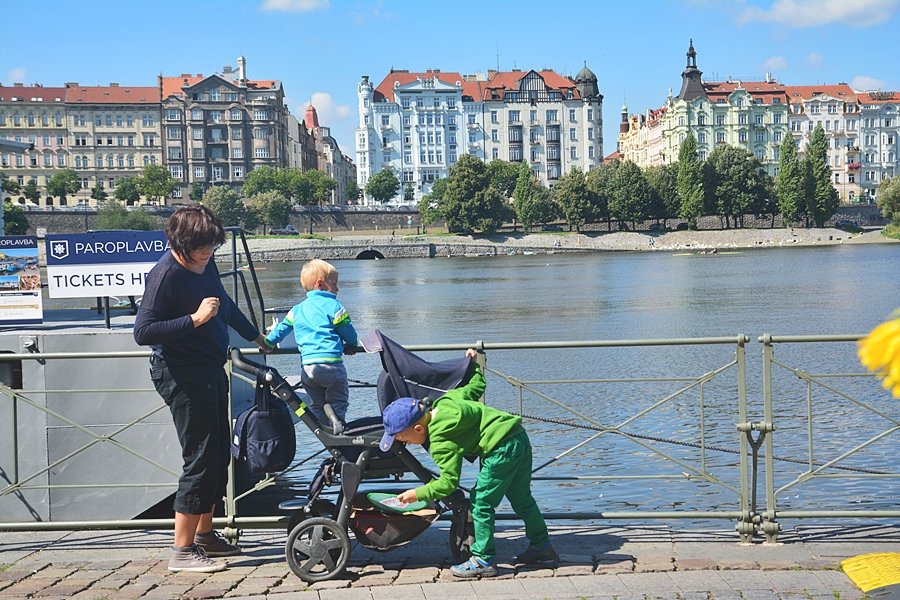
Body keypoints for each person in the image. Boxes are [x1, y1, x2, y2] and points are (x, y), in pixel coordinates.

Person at [134, 205, 270, 574]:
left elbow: (223, 304)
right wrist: (194, 320)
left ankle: (205, 537)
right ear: (181, 242)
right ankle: (181, 551)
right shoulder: (166, 275)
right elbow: (143, 332)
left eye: (212, 246)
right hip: (180, 374)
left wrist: (255, 335)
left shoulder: (205, 264)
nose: (208, 253)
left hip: (209, 370)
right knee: (199, 456)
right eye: (202, 247)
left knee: (218, 455)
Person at [380, 350, 556, 578]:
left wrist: (417, 493)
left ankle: (484, 559)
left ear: (418, 428)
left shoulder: (441, 440)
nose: (407, 444)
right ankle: (542, 547)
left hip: (499, 450)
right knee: (522, 499)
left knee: (481, 503)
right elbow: (476, 386)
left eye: (403, 439)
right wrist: (471, 365)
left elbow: (449, 483)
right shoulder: (447, 400)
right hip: (518, 437)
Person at [264, 259, 358, 424]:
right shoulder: (334, 306)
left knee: (316, 404)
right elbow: (348, 333)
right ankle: (339, 429)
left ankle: (323, 431)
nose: (337, 288)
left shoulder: (297, 309)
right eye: (335, 284)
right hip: (332, 366)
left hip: (308, 369)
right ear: (320, 284)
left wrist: (268, 343)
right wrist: (352, 344)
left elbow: (281, 329)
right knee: (338, 401)